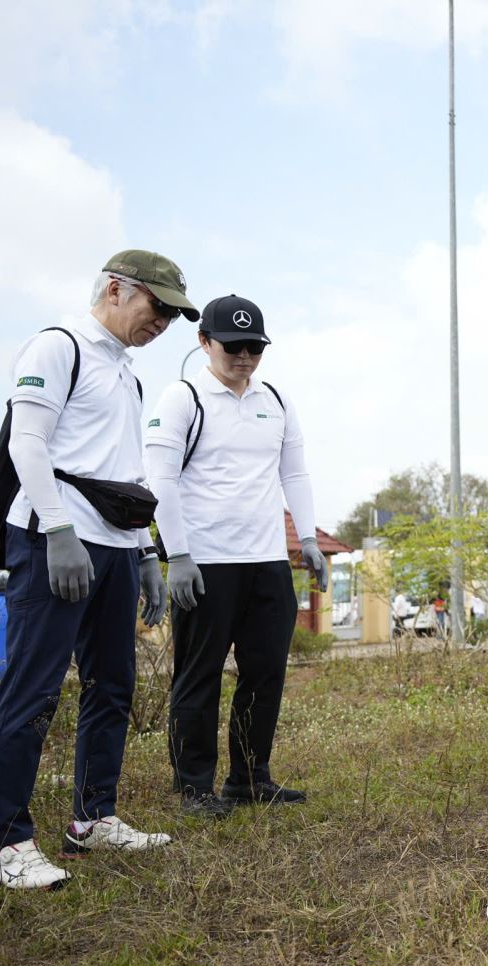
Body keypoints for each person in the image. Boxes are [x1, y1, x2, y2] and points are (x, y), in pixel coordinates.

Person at [0, 250, 192, 889]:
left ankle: (93, 818)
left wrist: (148, 552)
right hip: (55, 540)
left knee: (113, 686)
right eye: (157, 306)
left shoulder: (125, 373)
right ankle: (7, 842)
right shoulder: (58, 346)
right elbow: (28, 442)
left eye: (174, 316)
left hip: (117, 546)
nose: (163, 323)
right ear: (116, 288)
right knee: (34, 689)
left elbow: (124, 471)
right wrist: (60, 529)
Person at [145, 294, 324, 818]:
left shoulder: (276, 400)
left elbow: (294, 472)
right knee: (198, 675)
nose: (244, 357)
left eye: (255, 347)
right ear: (204, 342)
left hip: (266, 561)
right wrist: (176, 554)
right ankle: (193, 786)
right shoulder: (182, 398)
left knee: (265, 671)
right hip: (205, 562)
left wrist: (307, 538)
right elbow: (162, 479)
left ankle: (249, 777)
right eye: (233, 346)